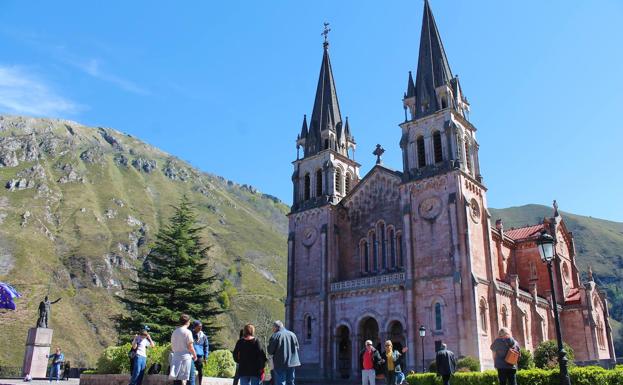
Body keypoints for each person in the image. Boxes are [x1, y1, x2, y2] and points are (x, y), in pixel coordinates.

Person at [267, 320, 300, 385]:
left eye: (273, 328)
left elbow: (270, 351)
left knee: (281, 382)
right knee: (290, 382)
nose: (272, 329)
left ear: (276, 327)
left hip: (280, 363)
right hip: (292, 362)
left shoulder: (275, 336)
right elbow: (297, 348)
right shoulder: (292, 334)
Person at [169, 314, 197, 385]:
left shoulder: (174, 332)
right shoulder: (188, 332)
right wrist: (194, 355)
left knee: (176, 379)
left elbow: (172, 346)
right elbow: (190, 347)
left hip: (176, 358)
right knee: (191, 378)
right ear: (188, 322)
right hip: (186, 358)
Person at [188, 320, 209, 385]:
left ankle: (199, 383)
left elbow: (206, 347)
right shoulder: (190, 334)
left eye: (201, 326)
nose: (200, 328)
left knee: (200, 371)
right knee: (190, 372)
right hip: (191, 356)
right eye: (199, 326)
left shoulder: (203, 336)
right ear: (195, 327)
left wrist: (205, 357)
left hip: (199, 356)